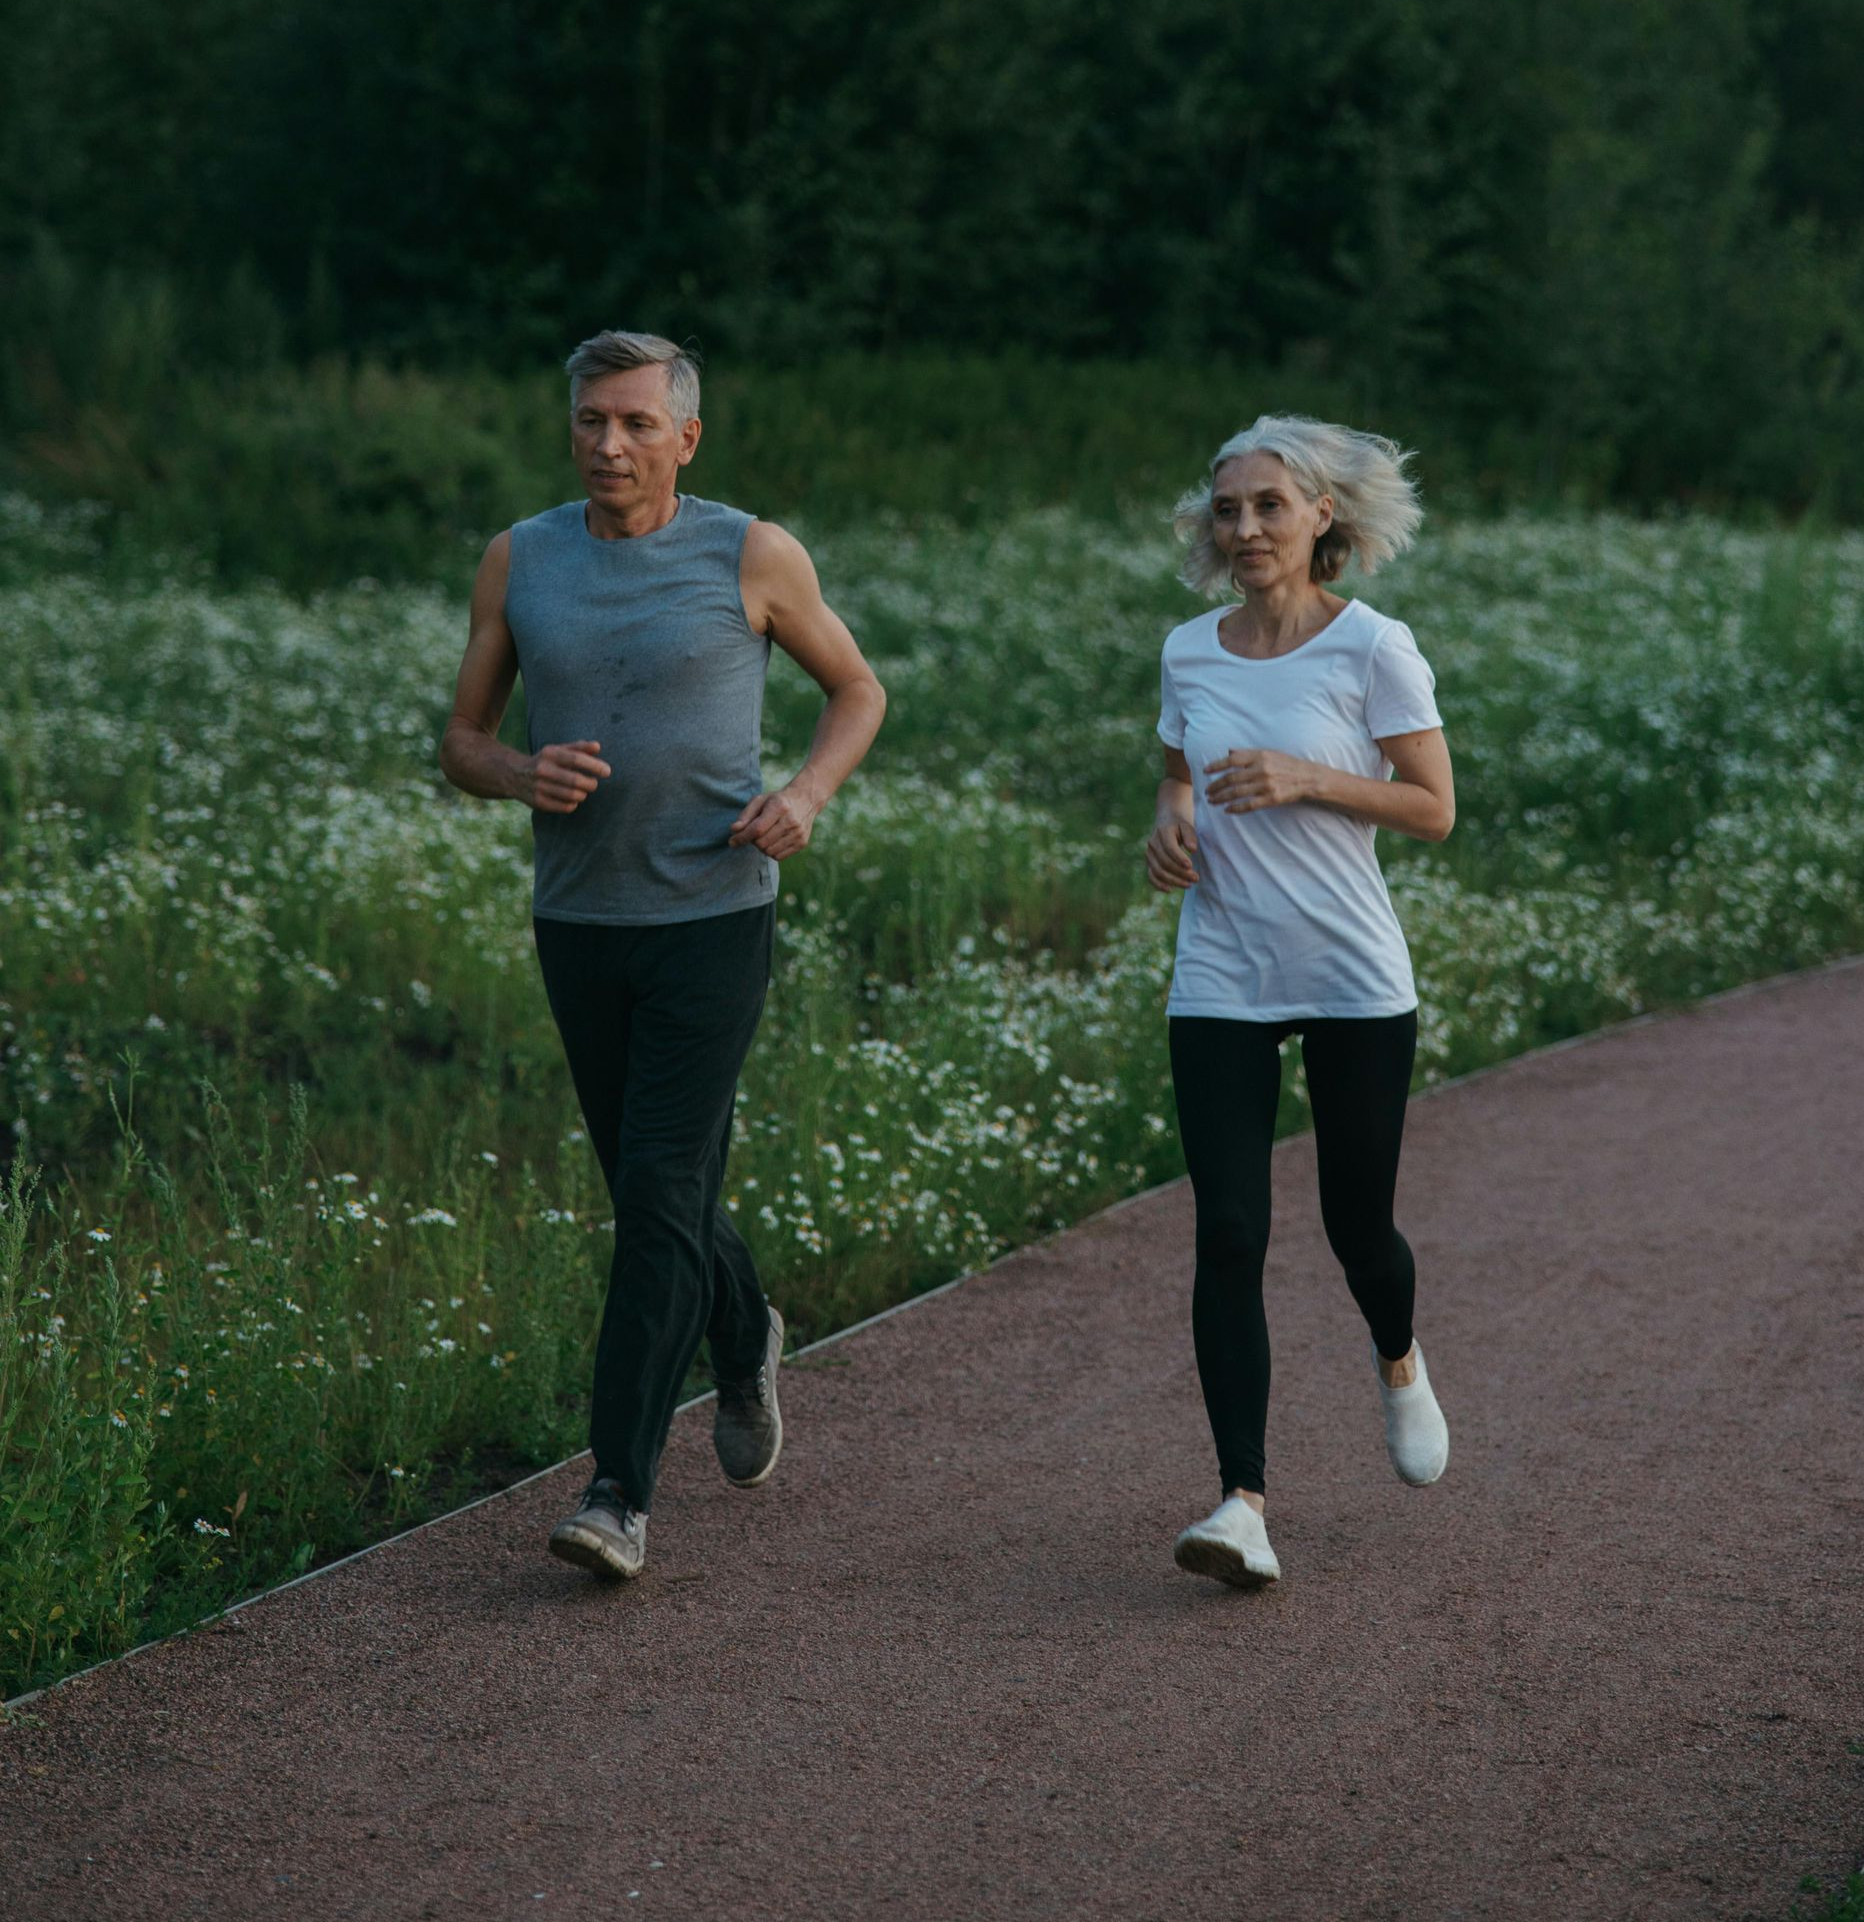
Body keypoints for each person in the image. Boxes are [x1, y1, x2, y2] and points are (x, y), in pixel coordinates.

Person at [439, 330, 885, 1581]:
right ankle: (742, 1335)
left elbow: (858, 690)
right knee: (656, 1189)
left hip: (714, 910)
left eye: (637, 422)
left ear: (685, 437)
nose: (609, 443)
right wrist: (522, 770)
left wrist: (806, 794)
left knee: (653, 1194)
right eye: (591, 420)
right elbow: (462, 742)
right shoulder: (519, 560)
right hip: (579, 917)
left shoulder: (750, 552)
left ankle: (618, 1490)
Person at [1147, 415, 1454, 1589]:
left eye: (1269, 505)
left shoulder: (1372, 645)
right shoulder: (1188, 650)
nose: (1244, 527)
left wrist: (1308, 779)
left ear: (1322, 514)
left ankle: (1398, 1354)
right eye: (1227, 509)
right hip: (1219, 966)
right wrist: (1167, 823)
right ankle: (1241, 1502)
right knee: (1227, 1229)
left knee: (1353, 1226)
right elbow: (1177, 771)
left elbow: (1432, 807)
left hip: (1349, 974)